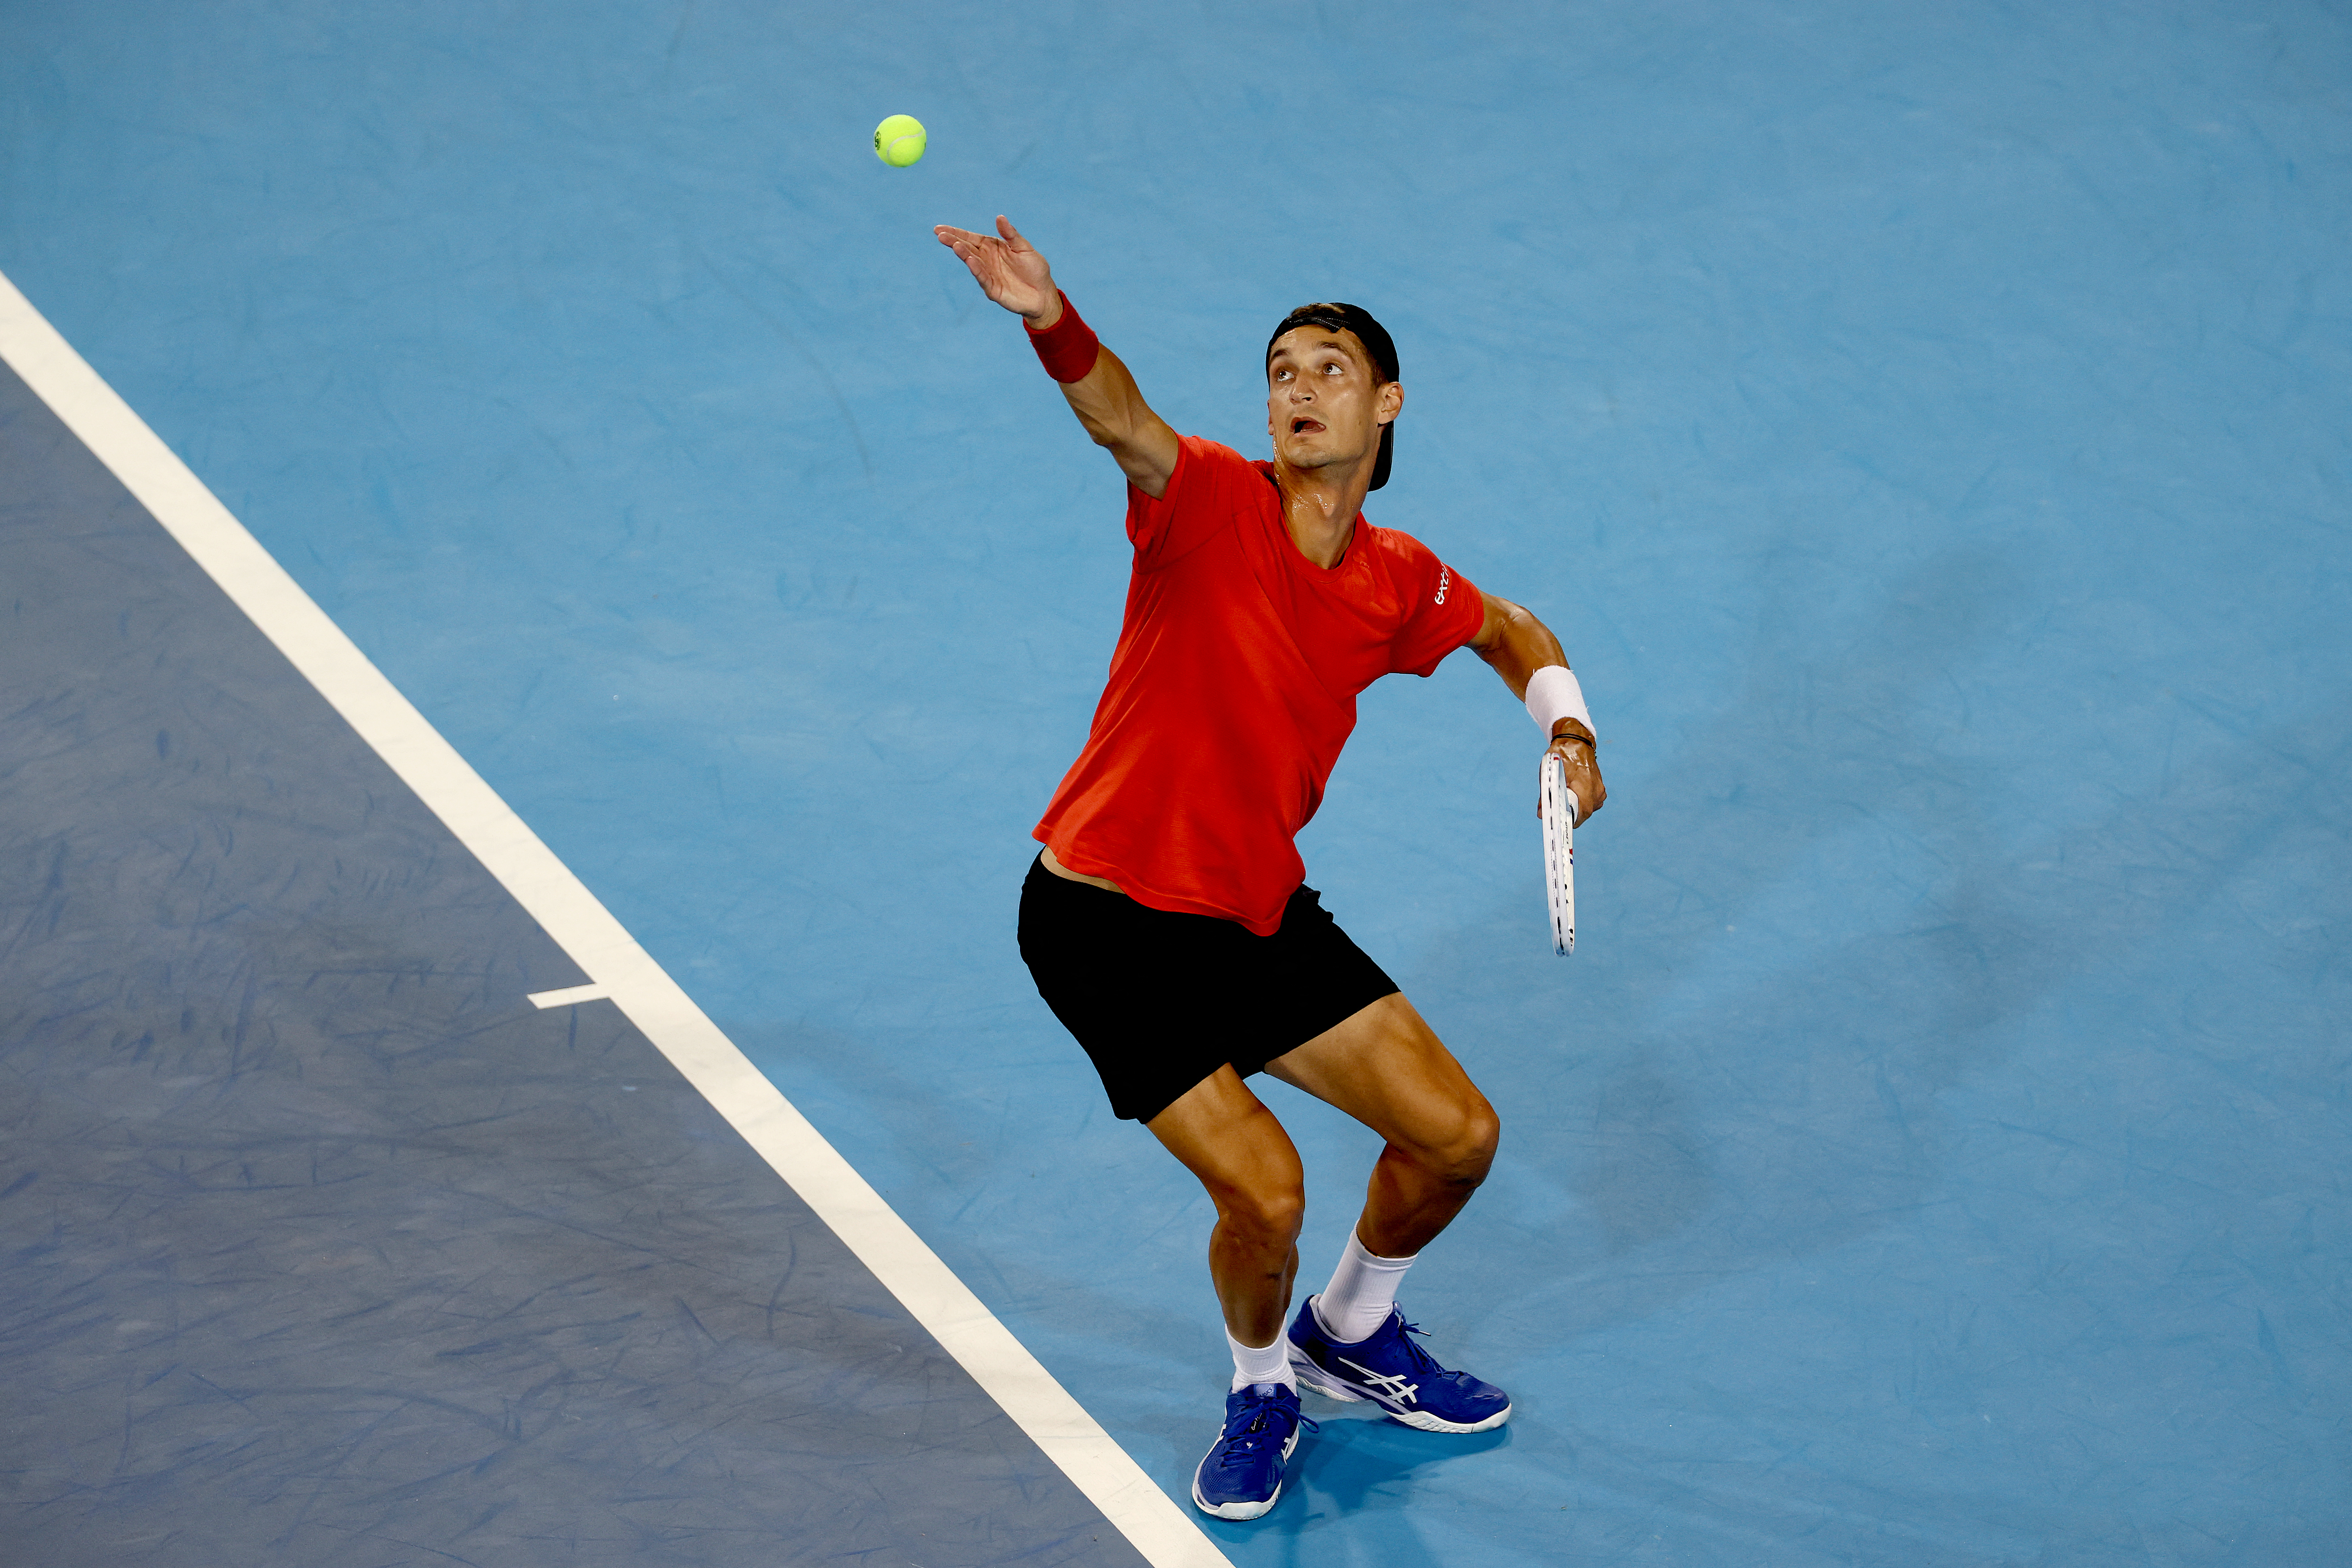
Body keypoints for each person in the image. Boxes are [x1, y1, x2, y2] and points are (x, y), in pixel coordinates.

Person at [935, 215, 1607, 1522]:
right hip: (1103, 924)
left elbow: (1508, 628)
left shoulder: (1396, 580)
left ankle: (1350, 1330)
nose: (1298, 389)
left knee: (1457, 1138)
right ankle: (1259, 1387)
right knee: (1267, 1189)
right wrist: (1048, 318)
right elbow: (1118, 418)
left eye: (1329, 370)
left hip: (1250, 913)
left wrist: (1566, 727)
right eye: (1281, 373)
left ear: (1386, 402)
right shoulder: (1202, 499)